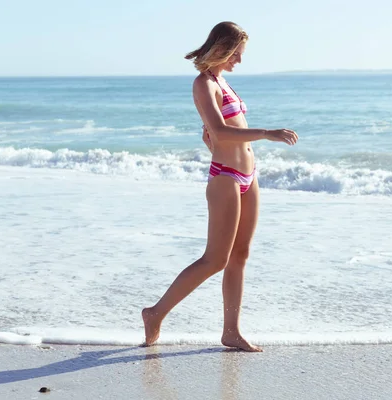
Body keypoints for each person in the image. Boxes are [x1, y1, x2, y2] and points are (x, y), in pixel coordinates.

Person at [141, 21, 298, 352]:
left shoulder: (222, 82)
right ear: (221, 48)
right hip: (225, 177)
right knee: (215, 259)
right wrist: (267, 133)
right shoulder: (203, 84)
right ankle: (155, 313)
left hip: (248, 175)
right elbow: (221, 131)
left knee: (241, 254)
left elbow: (218, 136)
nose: (239, 60)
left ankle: (231, 331)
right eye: (236, 54)